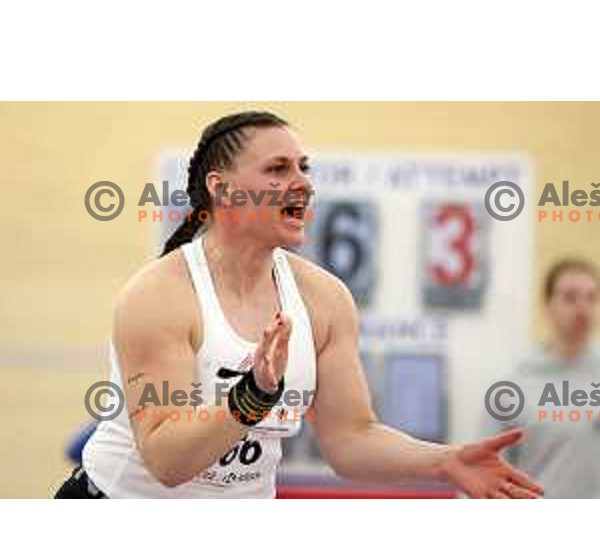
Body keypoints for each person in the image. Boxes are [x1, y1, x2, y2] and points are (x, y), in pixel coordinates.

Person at [54, 110, 542, 499]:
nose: (304, 183)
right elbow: (167, 462)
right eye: (278, 168)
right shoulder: (160, 294)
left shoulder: (324, 299)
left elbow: (350, 439)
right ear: (221, 189)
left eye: (304, 168)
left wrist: (444, 462)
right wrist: (253, 396)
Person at [489, 259, 600, 498]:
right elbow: (485, 473)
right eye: (570, 297)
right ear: (548, 304)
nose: (583, 308)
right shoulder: (512, 386)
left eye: (591, 297)